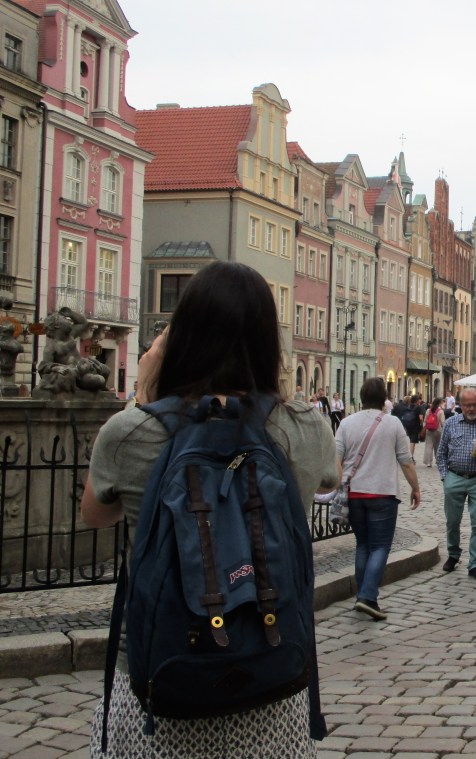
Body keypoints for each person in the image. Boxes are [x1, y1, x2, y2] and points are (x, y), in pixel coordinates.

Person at [80, 261, 338, 757]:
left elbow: (95, 515)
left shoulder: (130, 432)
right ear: (268, 343)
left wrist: (143, 393)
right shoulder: (305, 427)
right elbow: (332, 478)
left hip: (162, 691)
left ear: (180, 338)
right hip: (273, 684)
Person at [336, 378, 421, 620]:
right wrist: (415, 488)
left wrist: (336, 486)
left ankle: (363, 596)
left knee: (363, 545)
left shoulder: (346, 423)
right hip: (383, 493)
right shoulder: (392, 423)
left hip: (354, 494)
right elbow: (406, 461)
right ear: (384, 398)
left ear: (362, 396)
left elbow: (336, 459)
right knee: (380, 546)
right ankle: (367, 596)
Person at [435, 388, 476, 580]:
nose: (471, 409)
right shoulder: (451, 423)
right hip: (454, 477)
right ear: (460, 405)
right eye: (467, 405)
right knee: (452, 521)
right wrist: (445, 477)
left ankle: (475, 564)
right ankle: (453, 554)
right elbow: (441, 453)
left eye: (474, 405)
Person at [422, 397, 446, 466]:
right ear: (439, 403)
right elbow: (443, 423)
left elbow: (425, 421)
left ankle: (428, 462)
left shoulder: (428, 410)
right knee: (437, 446)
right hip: (437, 430)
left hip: (429, 430)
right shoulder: (440, 411)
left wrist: (425, 428)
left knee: (428, 446)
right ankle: (438, 460)